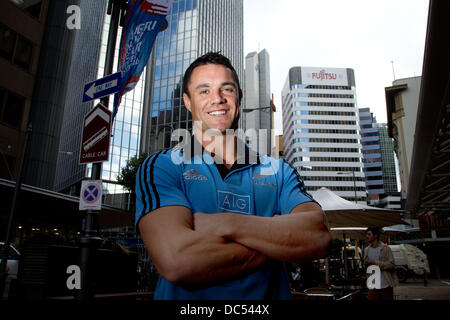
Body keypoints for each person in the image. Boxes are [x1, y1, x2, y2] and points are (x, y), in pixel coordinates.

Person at [135, 52, 331, 300]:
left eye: (226, 89)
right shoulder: (163, 166)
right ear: (187, 101)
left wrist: (224, 224)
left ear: (239, 96)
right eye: (204, 91)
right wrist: (278, 243)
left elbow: (318, 235)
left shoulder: (278, 170)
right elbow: (177, 260)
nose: (217, 99)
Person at [364, 227, 399, 300]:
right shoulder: (366, 250)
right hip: (372, 285)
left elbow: (392, 264)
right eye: (366, 234)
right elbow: (367, 266)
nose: (367, 236)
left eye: (369, 234)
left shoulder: (385, 248)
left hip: (385, 285)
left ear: (375, 236)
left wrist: (376, 263)